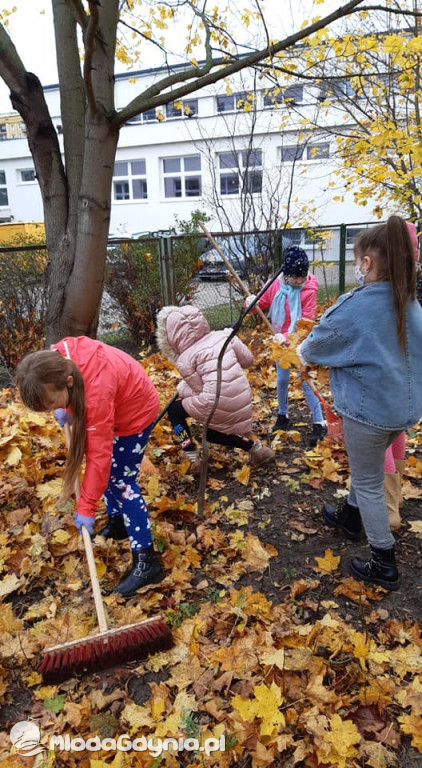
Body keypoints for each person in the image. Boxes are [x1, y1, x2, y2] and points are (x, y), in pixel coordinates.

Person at [297, 215, 422, 591]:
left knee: (367, 480)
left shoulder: (357, 307)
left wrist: (302, 350)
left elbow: (313, 347)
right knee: (365, 467)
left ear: (366, 262)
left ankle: (383, 561)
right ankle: (351, 517)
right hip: (401, 411)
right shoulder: (410, 303)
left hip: (369, 412)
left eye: (357, 259)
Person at [16, 336, 164, 598]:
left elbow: (99, 458)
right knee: (110, 473)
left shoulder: (96, 391)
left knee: (121, 480)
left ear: (69, 382)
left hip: (135, 413)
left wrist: (86, 508)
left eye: (54, 403)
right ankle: (118, 522)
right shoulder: (59, 358)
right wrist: (67, 408)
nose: (54, 410)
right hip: (115, 404)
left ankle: (146, 560)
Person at [155, 305, 274, 468]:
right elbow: (248, 361)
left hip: (217, 401)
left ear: (172, 338)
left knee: (174, 411)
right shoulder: (224, 336)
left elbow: (198, 390)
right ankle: (258, 449)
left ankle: (189, 453)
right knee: (212, 433)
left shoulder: (185, 359)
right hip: (243, 396)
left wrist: (181, 388)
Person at [245, 246, 326, 446]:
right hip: (279, 341)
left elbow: (307, 323)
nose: (299, 281)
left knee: (304, 379)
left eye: (302, 276)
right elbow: (260, 304)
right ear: (285, 274)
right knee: (281, 380)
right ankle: (283, 416)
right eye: (295, 277)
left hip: (300, 342)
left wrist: (288, 338)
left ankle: (320, 422)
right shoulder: (274, 285)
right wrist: (250, 303)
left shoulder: (309, 289)